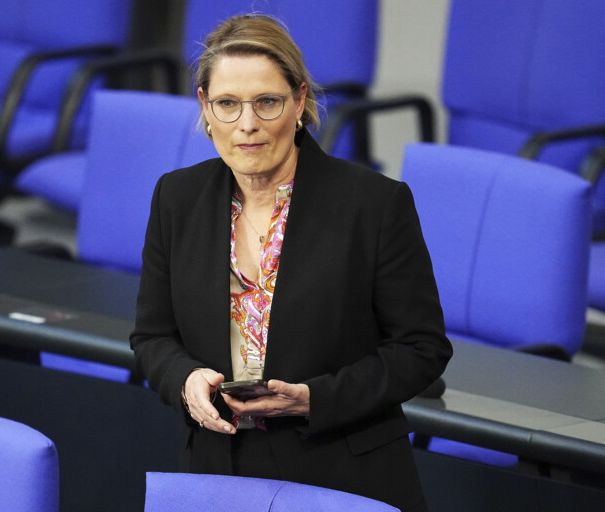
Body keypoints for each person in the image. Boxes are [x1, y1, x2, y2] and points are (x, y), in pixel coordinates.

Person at [130, 13, 452, 512]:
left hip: (342, 476)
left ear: (300, 101)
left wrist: (315, 399)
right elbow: (152, 337)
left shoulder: (373, 205)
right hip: (217, 472)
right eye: (227, 104)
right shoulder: (177, 198)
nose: (247, 124)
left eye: (267, 102)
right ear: (205, 107)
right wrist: (185, 381)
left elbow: (421, 348)